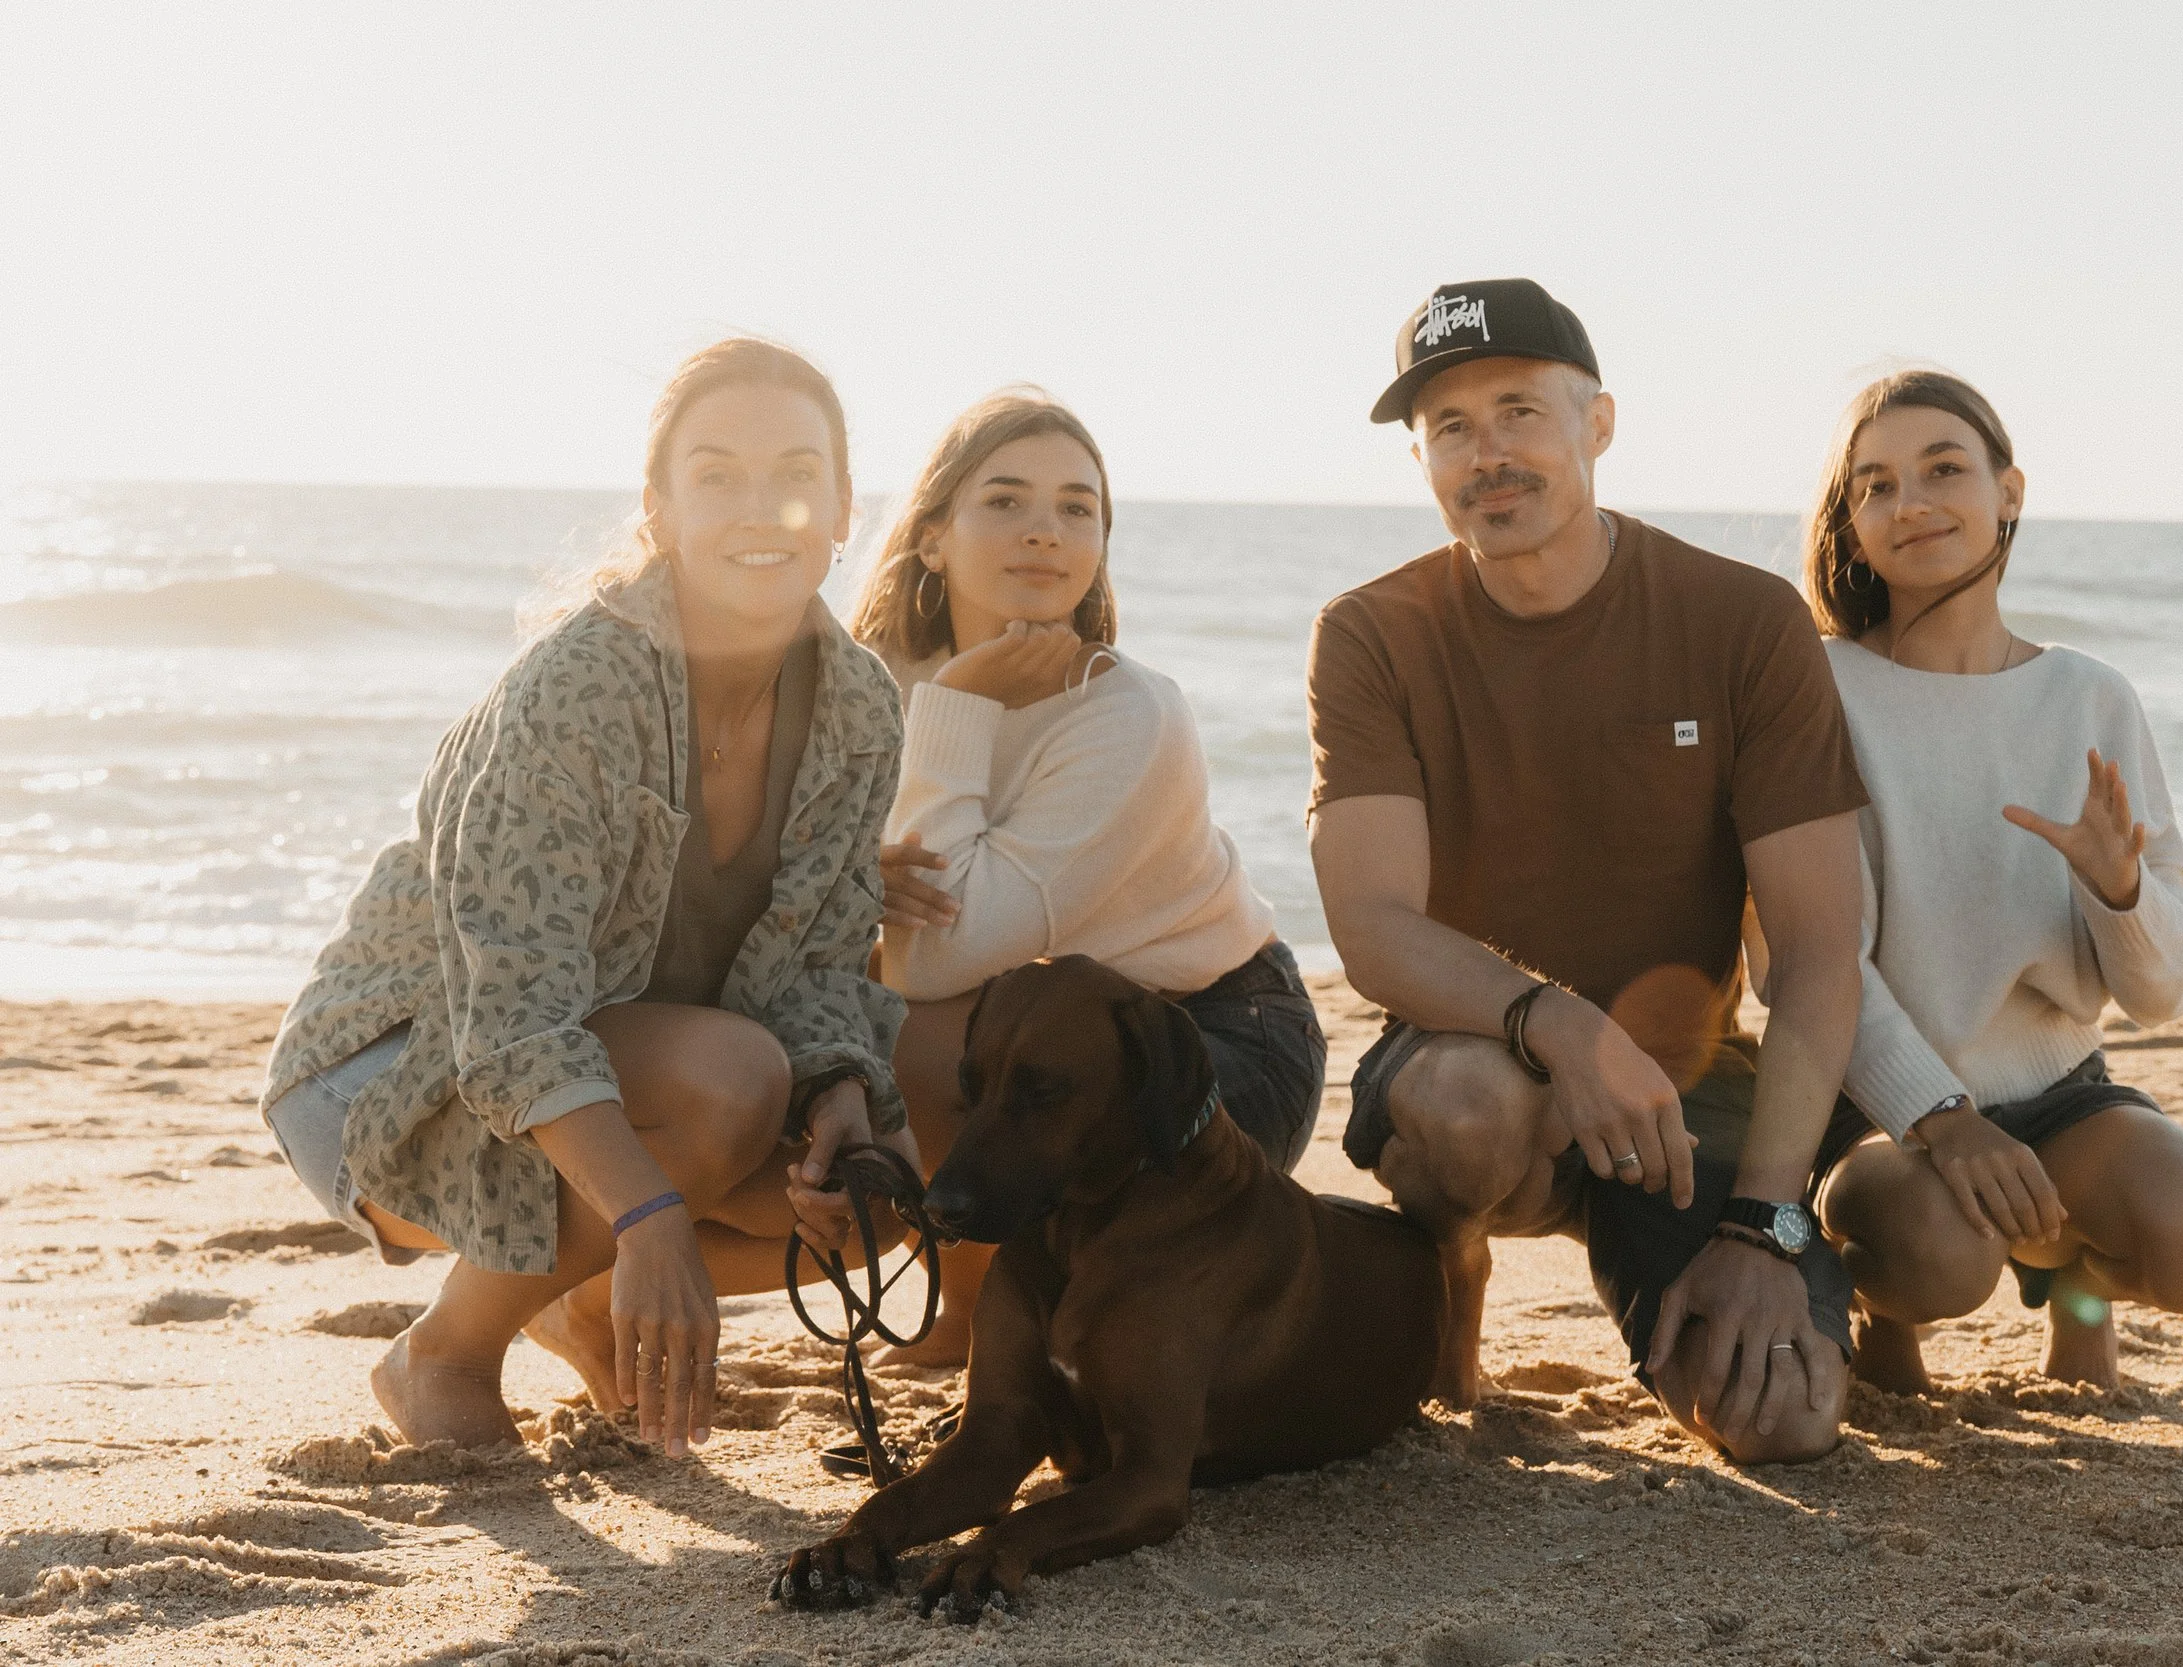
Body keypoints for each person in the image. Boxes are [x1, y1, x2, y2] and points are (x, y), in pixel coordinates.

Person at [260, 339, 916, 1457]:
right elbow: (510, 1014)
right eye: (716, 474)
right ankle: (447, 1351)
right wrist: (649, 1216)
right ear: (659, 508)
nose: (763, 505)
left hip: (633, 1074)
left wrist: (844, 1089)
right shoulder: (580, 686)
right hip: (398, 1069)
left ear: (846, 505)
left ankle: (566, 1283)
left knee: (887, 1186)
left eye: (795, 471)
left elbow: (812, 967)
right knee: (728, 1082)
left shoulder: (857, 701)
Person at [1309, 280, 1867, 1464]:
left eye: (1518, 411)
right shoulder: (1371, 631)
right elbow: (1369, 923)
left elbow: (1818, 951)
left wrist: (1766, 1222)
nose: (1487, 454)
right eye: (1450, 428)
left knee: (1784, 1420)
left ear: (1598, 424)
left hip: (1681, 1083)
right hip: (1478, 1055)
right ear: (1420, 456)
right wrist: (1556, 1024)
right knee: (1466, 1109)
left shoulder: (1744, 620)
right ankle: (1452, 1267)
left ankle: (1716, 1259)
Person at [836, 389, 1321, 1367]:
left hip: (1208, 1038)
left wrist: (957, 703)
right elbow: (832, 899)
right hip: (1039, 1029)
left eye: (1076, 507)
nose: (1045, 532)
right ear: (930, 537)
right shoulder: (866, 683)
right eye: (1006, 501)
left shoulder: (1129, 714)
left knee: (925, 1031)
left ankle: (979, 1315)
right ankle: (975, 1303)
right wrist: (851, 881)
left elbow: (934, 961)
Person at [1801, 370, 2183, 1392]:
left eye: (1943, 468)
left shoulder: (2088, 696)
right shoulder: (1822, 690)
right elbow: (1811, 956)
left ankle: (2076, 1294)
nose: (1910, 502)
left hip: (2057, 1093)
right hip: (1875, 1109)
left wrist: (2119, 894)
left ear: (2009, 490)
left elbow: (2164, 992)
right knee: (1938, 1253)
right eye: (1874, 485)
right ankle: (1884, 1316)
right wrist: (1942, 1120)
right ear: (1853, 526)